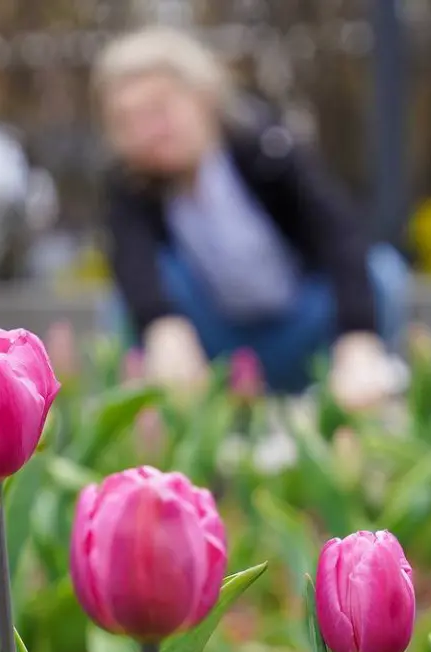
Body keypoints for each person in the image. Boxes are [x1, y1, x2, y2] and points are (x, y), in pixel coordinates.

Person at [94, 26, 410, 408]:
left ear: (203, 97)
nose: (147, 132)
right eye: (128, 121)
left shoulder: (265, 150)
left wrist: (359, 339)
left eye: (159, 111)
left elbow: (339, 236)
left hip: (300, 325)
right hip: (217, 341)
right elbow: (134, 262)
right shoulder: (132, 186)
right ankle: (172, 420)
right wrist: (162, 326)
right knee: (123, 303)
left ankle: (360, 401)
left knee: (383, 273)